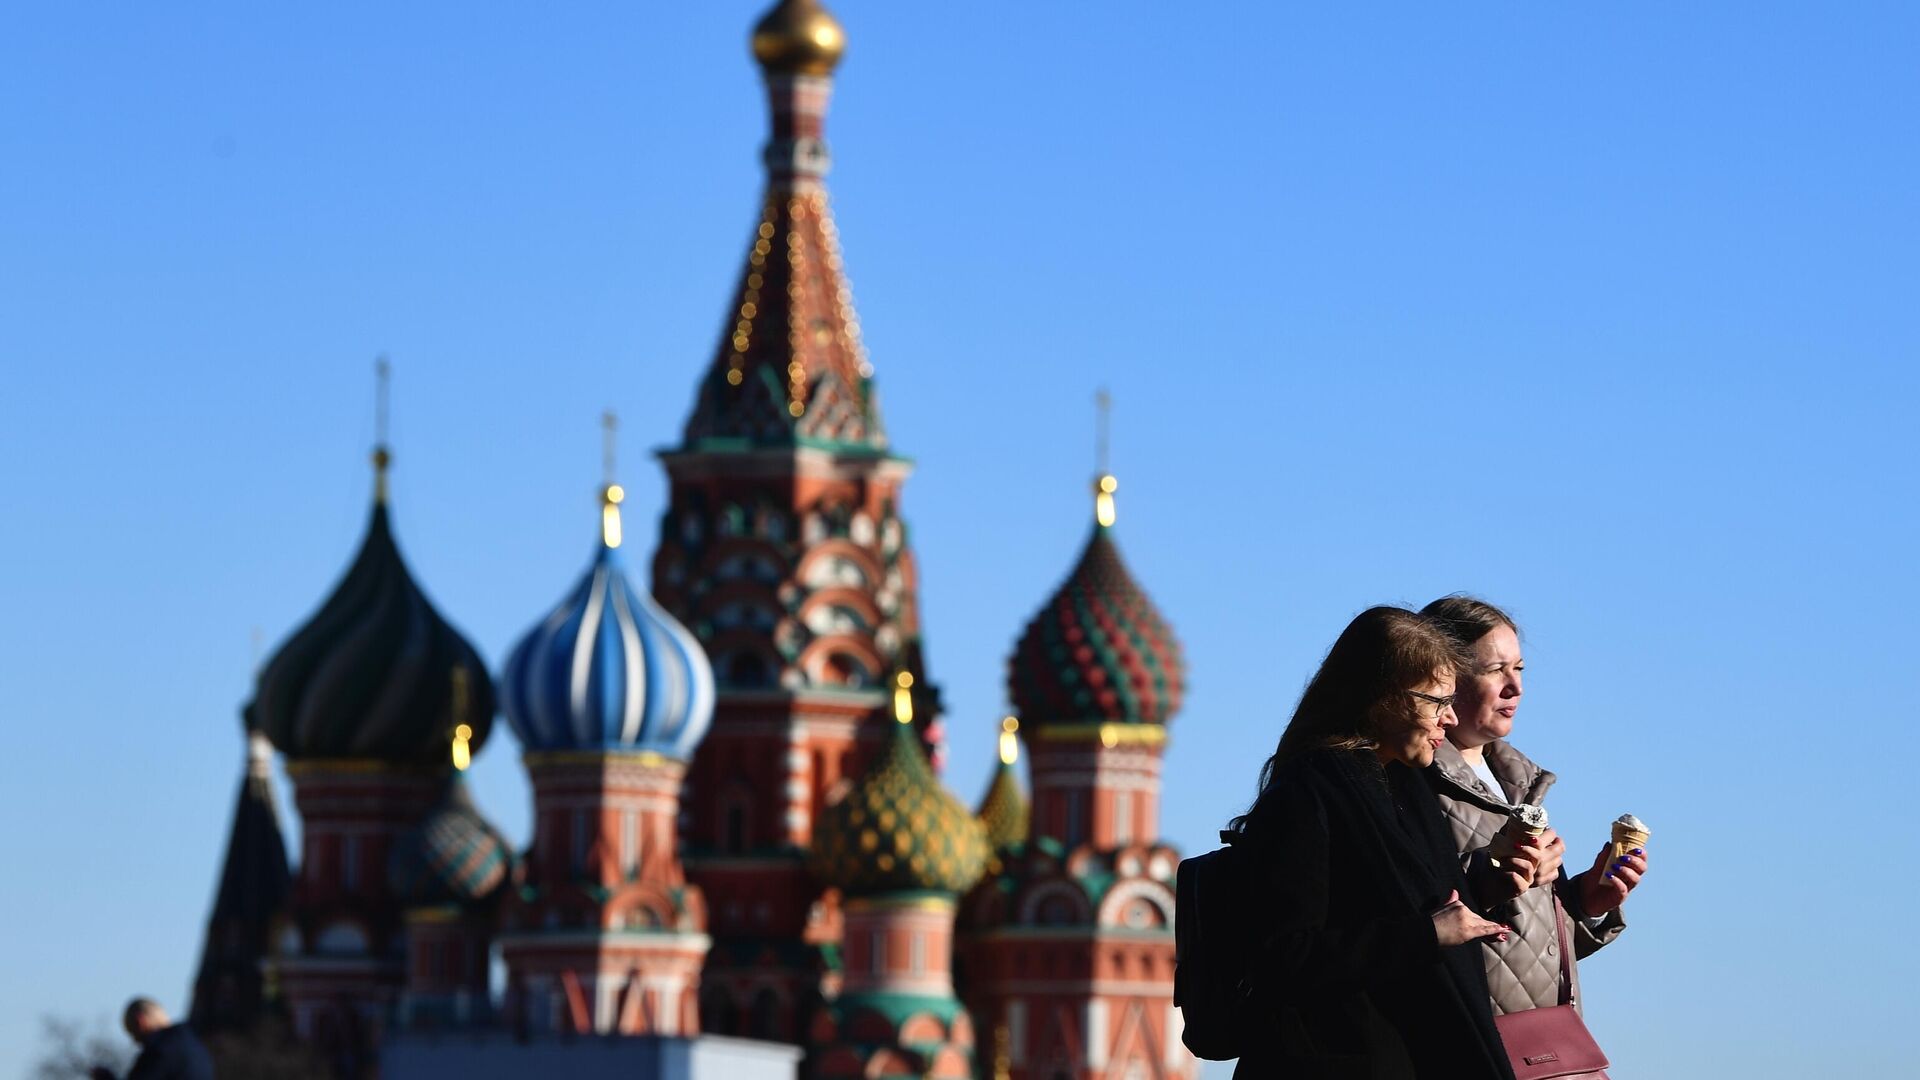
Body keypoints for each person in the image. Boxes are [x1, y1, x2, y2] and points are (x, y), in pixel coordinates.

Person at [1227, 606, 1516, 1079]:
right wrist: (1428, 934)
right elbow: (1284, 955)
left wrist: (1486, 883)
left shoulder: (1406, 789)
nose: (1449, 718)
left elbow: (1415, 901)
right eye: (1437, 701)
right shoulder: (1308, 794)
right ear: (1384, 699)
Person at [1420, 595, 1649, 1019]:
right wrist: (1490, 877)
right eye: (1495, 670)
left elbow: (1522, 955)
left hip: (1544, 1045)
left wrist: (1583, 902)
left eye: (1519, 668)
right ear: (1443, 677)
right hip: (1465, 1044)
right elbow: (1401, 922)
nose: (1516, 686)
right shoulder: (1410, 778)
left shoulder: (1521, 783)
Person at [88, 998, 214, 1080]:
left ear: (140, 1022)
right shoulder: (194, 1042)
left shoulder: (159, 1051)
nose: (135, 1042)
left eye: (133, 1034)